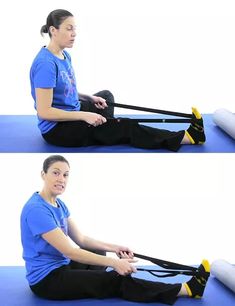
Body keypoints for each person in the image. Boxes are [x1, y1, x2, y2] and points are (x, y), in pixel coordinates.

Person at [20, 155, 210, 305]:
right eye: (56, 173)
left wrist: (115, 248)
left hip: (61, 265)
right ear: (43, 174)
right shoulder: (37, 210)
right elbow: (69, 251)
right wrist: (114, 263)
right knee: (115, 279)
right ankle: (185, 289)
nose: (61, 179)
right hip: (47, 281)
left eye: (66, 174)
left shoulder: (58, 203)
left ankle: (99, 280)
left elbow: (82, 239)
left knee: (98, 251)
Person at [30, 9, 205, 152]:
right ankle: (186, 138)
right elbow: (44, 112)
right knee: (127, 126)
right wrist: (85, 115)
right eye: (69, 29)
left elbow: (65, 90)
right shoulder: (46, 64)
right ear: (53, 30)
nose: (74, 34)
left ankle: (106, 130)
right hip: (59, 130)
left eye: (75, 28)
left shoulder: (63, 54)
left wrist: (90, 99)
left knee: (106, 96)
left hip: (71, 111)